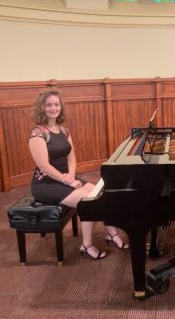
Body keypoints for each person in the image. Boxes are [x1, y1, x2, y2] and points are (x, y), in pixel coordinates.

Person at [28, 89, 129, 260]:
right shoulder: (37, 134)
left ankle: (111, 234)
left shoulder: (63, 130)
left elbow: (72, 158)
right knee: (88, 202)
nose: (53, 108)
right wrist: (66, 180)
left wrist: (71, 176)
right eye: (49, 105)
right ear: (42, 108)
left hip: (65, 178)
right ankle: (86, 245)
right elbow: (44, 166)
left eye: (56, 104)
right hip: (46, 183)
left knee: (100, 194)